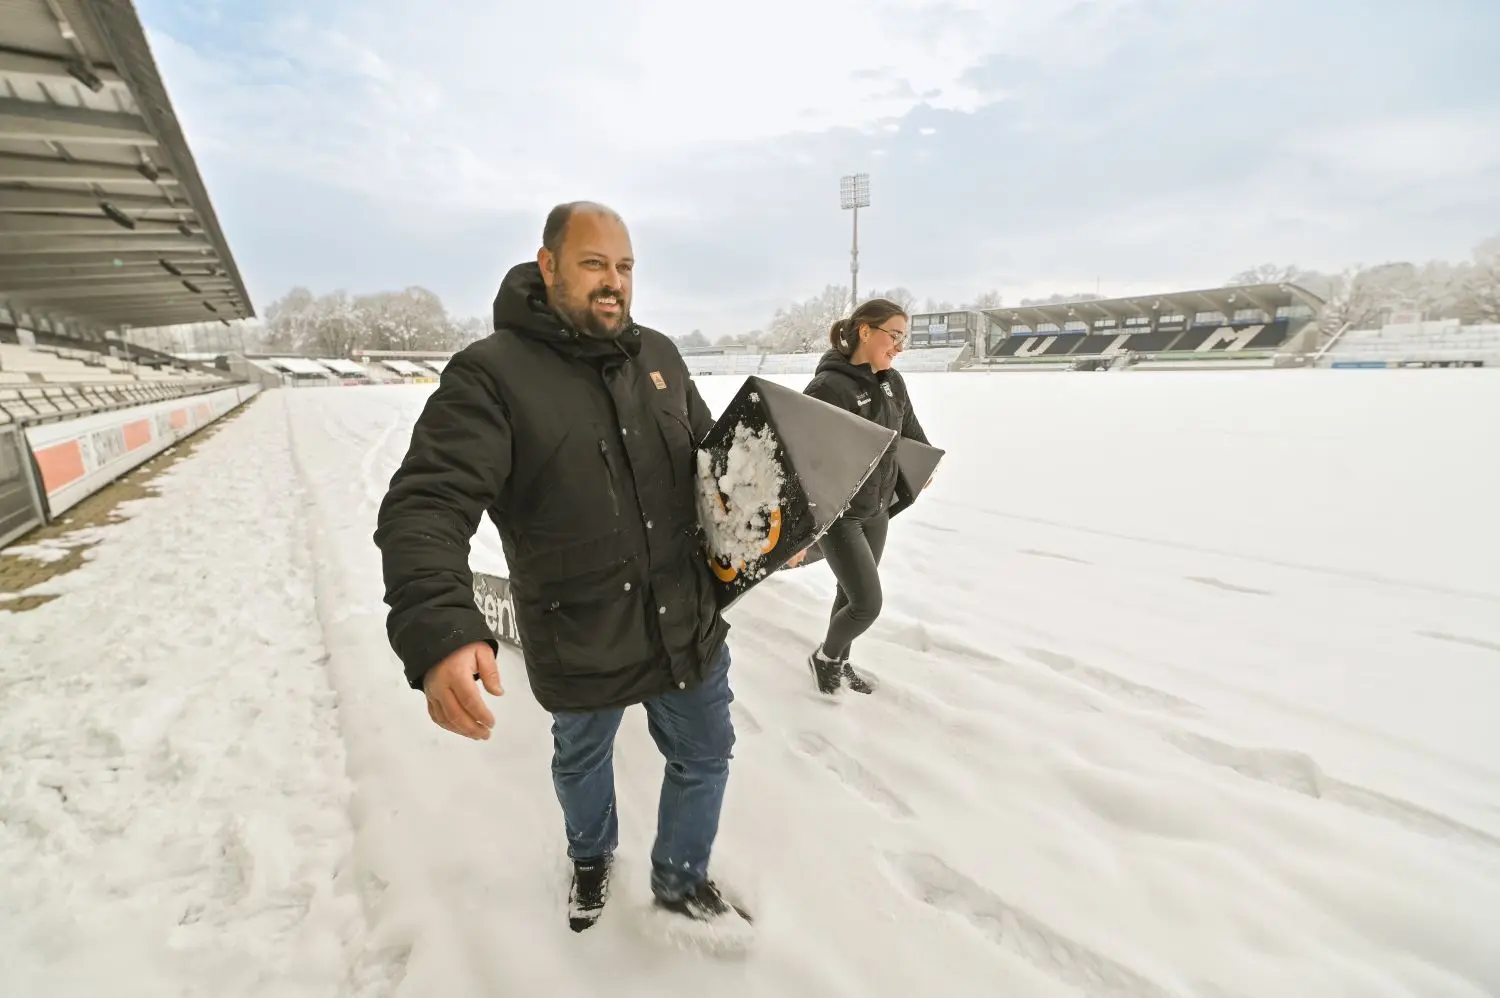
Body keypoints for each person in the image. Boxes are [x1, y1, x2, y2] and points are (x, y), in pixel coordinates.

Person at [372, 201, 750, 936]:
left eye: (626, 266)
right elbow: (426, 503)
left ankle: (679, 879)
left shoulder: (662, 358)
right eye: (594, 264)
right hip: (579, 634)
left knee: (706, 756)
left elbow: (715, 470)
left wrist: (770, 526)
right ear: (548, 267)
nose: (615, 282)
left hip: (685, 621)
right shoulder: (490, 377)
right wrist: (440, 630)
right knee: (582, 761)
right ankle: (589, 855)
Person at [797, 297, 929, 695]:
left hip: (877, 509)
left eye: (904, 338)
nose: (900, 346)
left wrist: (925, 463)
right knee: (867, 605)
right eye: (894, 335)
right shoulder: (828, 387)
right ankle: (825, 658)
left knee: (848, 593)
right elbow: (802, 458)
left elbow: (909, 431)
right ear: (865, 331)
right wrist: (800, 531)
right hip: (842, 512)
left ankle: (840, 659)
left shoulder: (893, 382)